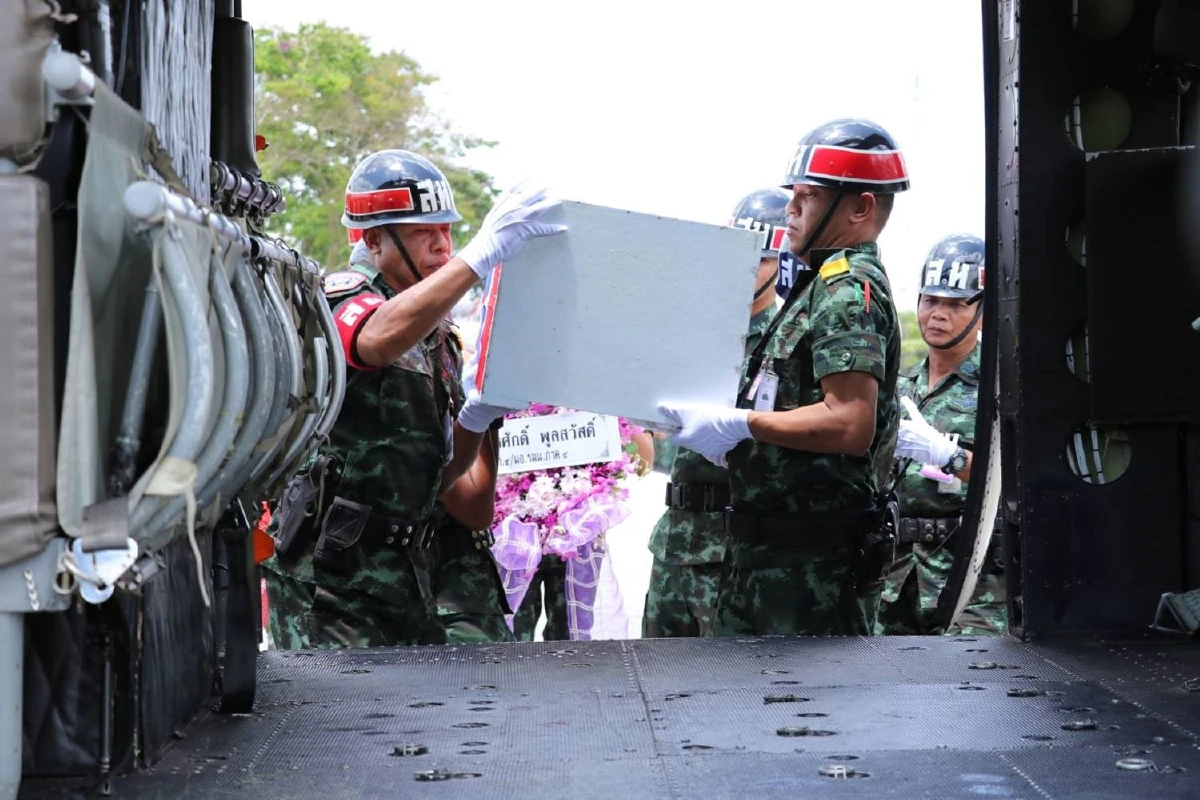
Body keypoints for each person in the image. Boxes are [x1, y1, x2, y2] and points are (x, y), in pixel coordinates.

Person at [262, 149, 564, 648]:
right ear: (374, 239)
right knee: (332, 723)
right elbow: (373, 339)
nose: (443, 246)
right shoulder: (340, 293)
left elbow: (449, 480)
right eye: (425, 233)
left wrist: (479, 418)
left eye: (448, 231)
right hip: (332, 582)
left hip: (408, 577)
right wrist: (482, 252)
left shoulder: (440, 339)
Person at [658, 118, 909, 636]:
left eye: (808, 198)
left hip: (807, 575)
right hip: (775, 561)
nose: (790, 210)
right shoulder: (821, 283)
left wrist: (744, 424)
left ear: (860, 207)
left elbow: (849, 423)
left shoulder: (845, 286)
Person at [641, 187, 789, 638]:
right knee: (656, 686)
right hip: (675, 542)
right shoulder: (691, 332)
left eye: (759, 259)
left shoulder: (784, 341)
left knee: (726, 695)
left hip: (735, 552)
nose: (743, 269)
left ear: (781, 262)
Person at [878, 233, 1006, 635]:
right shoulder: (898, 389)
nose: (937, 314)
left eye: (954, 304)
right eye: (930, 300)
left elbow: (1020, 478)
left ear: (984, 311)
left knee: (969, 687)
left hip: (972, 581)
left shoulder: (999, 389)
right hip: (895, 579)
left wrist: (949, 457)